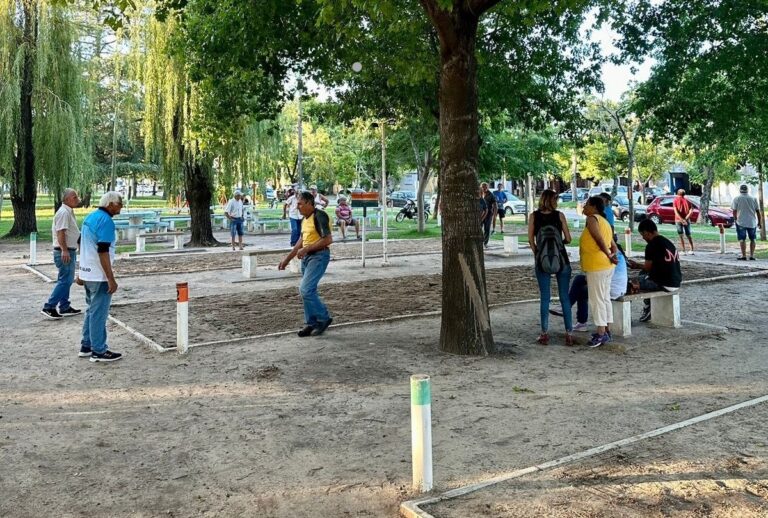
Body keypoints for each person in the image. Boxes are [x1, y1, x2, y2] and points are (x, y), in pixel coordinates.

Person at [279, 191, 334, 337]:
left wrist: (307, 249)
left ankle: (324, 318)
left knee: (305, 289)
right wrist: (287, 259)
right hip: (307, 258)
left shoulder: (319, 215)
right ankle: (312, 323)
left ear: (310, 203)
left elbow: (328, 239)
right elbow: (300, 242)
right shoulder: (305, 219)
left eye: (300, 204)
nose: (297, 207)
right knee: (308, 291)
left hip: (319, 256)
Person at [77, 191, 123, 362]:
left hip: (88, 272)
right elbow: (102, 251)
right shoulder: (106, 222)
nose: (121, 207)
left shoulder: (91, 217)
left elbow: (81, 244)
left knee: (91, 310)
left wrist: (81, 271)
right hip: (98, 275)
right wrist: (111, 278)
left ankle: (87, 345)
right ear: (110, 204)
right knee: (98, 313)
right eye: (120, 203)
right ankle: (99, 350)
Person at [528, 189, 573, 346]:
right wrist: (560, 244)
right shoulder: (559, 215)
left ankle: (544, 333)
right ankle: (569, 333)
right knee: (564, 297)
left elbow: (530, 240)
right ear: (553, 200)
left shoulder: (534, 216)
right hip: (561, 259)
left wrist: (538, 254)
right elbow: (568, 238)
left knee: (545, 297)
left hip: (542, 260)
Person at [550, 244, 629, 334]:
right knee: (581, 287)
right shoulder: (618, 253)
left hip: (610, 289)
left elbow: (593, 278)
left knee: (580, 284)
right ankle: (576, 318)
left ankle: (568, 310)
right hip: (619, 288)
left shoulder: (607, 254)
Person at [580, 196, 619, 347]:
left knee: (597, 300)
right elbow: (613, 244)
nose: (584, 207)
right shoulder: (605, 222)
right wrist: (611, 255)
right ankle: (607, 330)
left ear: (594, 207)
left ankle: (601, 333)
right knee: (604, 298)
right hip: (605, 265)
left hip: (597, 265)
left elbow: (599, 240)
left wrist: (608, 254)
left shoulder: (592, 219)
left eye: (586, 205)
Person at [628, 219, 682, 323]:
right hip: (676, 282)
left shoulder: (651, 245)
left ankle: (645, 307)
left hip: (662, 283)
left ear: (646, 232)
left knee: (629, 283)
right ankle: (648, 304)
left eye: (642, 235)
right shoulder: (668, 243)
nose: (643, 238)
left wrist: (636, 265)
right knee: (642, 274)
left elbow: (647, 267)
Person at [41, 189, 83, 320]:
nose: (77, 199)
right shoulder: (63, 213)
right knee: (66, 280)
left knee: (65, 279)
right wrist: (64, 250)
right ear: (66, 199)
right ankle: (49, 306)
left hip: (69, 250)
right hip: (64, 251)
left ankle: (65, 306)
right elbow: (61, 232)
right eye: (74, 197)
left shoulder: (67, 212)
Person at [731, 184, 761, 261]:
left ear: (740, 190)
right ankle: (752, 255)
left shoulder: (736, 199)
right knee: (753, 239)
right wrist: (759, 222)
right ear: (748, 190)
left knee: (742, 239)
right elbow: (758, 211)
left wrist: (735, 219)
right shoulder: (753, 199)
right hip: (752, 222)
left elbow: (734, 210)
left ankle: (743, 255)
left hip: (741, 221)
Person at [673, 189, 694, 255]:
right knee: (688, 235)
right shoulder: (688, 200)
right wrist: (685, 219)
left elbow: (676, 212)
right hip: (686, 220)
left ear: (677, 193)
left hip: (678, 220)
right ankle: (691, 249)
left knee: (681, 235)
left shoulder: (675, 200)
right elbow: (691, 211)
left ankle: (683, 250)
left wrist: (681, 220)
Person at [480, 182, 497, 247]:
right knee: (479, 227)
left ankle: (485, 243)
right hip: (481, 213)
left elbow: (495, 205)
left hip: (488, 214)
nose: (484, 188)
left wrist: (495, 214)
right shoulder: (479, 194)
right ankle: (481, 241)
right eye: (483, 187)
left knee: (487, 228)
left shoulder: (491, 195)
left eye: (486, 187)